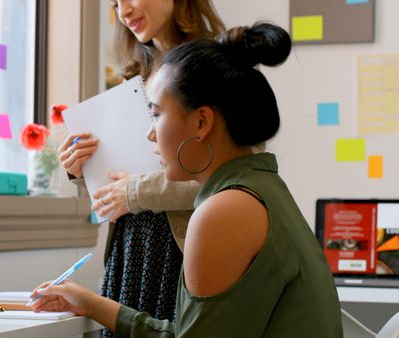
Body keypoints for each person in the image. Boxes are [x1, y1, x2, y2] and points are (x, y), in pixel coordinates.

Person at [34, 23, 344, 337]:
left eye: (155, 114)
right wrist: (92, 304)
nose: (150, 134)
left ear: (201, 121)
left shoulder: (223, 211)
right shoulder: (260, 189)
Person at [57, 1, 225, 333]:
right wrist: (82, 167)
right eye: (116, 3)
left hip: (179, 247)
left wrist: (135, 192)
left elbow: (226, 177)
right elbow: (128, 171)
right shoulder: (135, 77)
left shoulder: (218, 65)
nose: (123, 11)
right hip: (130, 246)